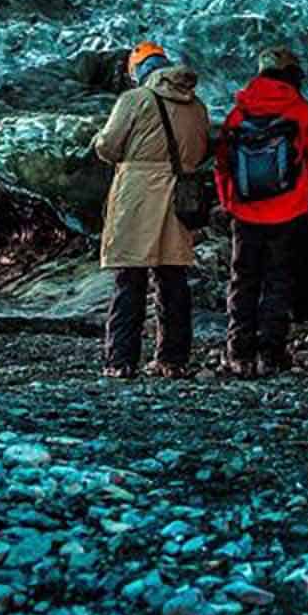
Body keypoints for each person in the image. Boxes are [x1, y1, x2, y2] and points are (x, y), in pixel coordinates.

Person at [92, 42, 210, 378]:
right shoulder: (197, 105)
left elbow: (109, 146)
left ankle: (120, 361)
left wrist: (100, 140)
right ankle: (173, 360)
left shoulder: (135, 100)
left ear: (139, 71)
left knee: (130, 279)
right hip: (179, 197)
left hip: (138, 196)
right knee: (173, 280)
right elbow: (201, 151)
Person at [215, 47, 308, 377]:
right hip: (289, 209)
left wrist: (228, 201)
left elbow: (222, 162)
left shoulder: (239, 111)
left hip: (245, 210)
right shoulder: (302, 110)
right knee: (279, 281)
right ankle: (271, 353)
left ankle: (239, 353)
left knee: (243, 280)